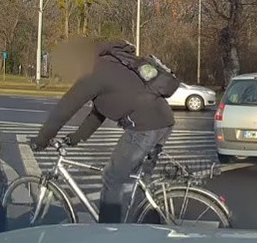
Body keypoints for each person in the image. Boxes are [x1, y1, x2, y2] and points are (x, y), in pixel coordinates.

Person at [30, 40, 179, 223]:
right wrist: (76, 137)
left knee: (112, 177)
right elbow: (101, 110)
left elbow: (65, 109)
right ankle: (148, 224)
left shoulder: (92, 73)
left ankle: (108, 232)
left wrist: (42, 139)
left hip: (144, 127)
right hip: (163, 122)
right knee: (139, 179)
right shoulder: (112, 64)